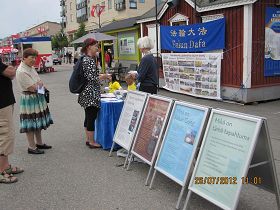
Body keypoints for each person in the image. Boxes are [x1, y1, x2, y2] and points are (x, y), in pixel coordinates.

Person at [16, 48, 53, 155]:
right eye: (31, 57)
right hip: (29, 99)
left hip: (37, 97)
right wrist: (40, 86)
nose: (34, 60)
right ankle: (31, 147)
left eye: (35, 57)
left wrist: (39, 86)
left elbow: (39, 82)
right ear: (24, 58)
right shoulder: (21, 71)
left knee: (38, 121)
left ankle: (39, 143)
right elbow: (33, 88)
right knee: (30, 124)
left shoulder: (30, 67)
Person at [78, 38, 107, 149]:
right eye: (95, 46)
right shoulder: (89, 60)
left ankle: (88, 139)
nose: (97, 48)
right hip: (90, 93)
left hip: (86, 93)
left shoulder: (84, 59)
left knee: (88, 116)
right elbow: (92, 78)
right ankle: (91, 141)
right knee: (91, 117)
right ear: (89, 47)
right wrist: (103, 76)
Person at [0, 59, 23, 184]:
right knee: (5, 135)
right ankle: (2, 170)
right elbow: (10, 72)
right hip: (2, 103)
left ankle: (6, 166)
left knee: (6, 134)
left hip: (5, 102)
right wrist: (11, 69)